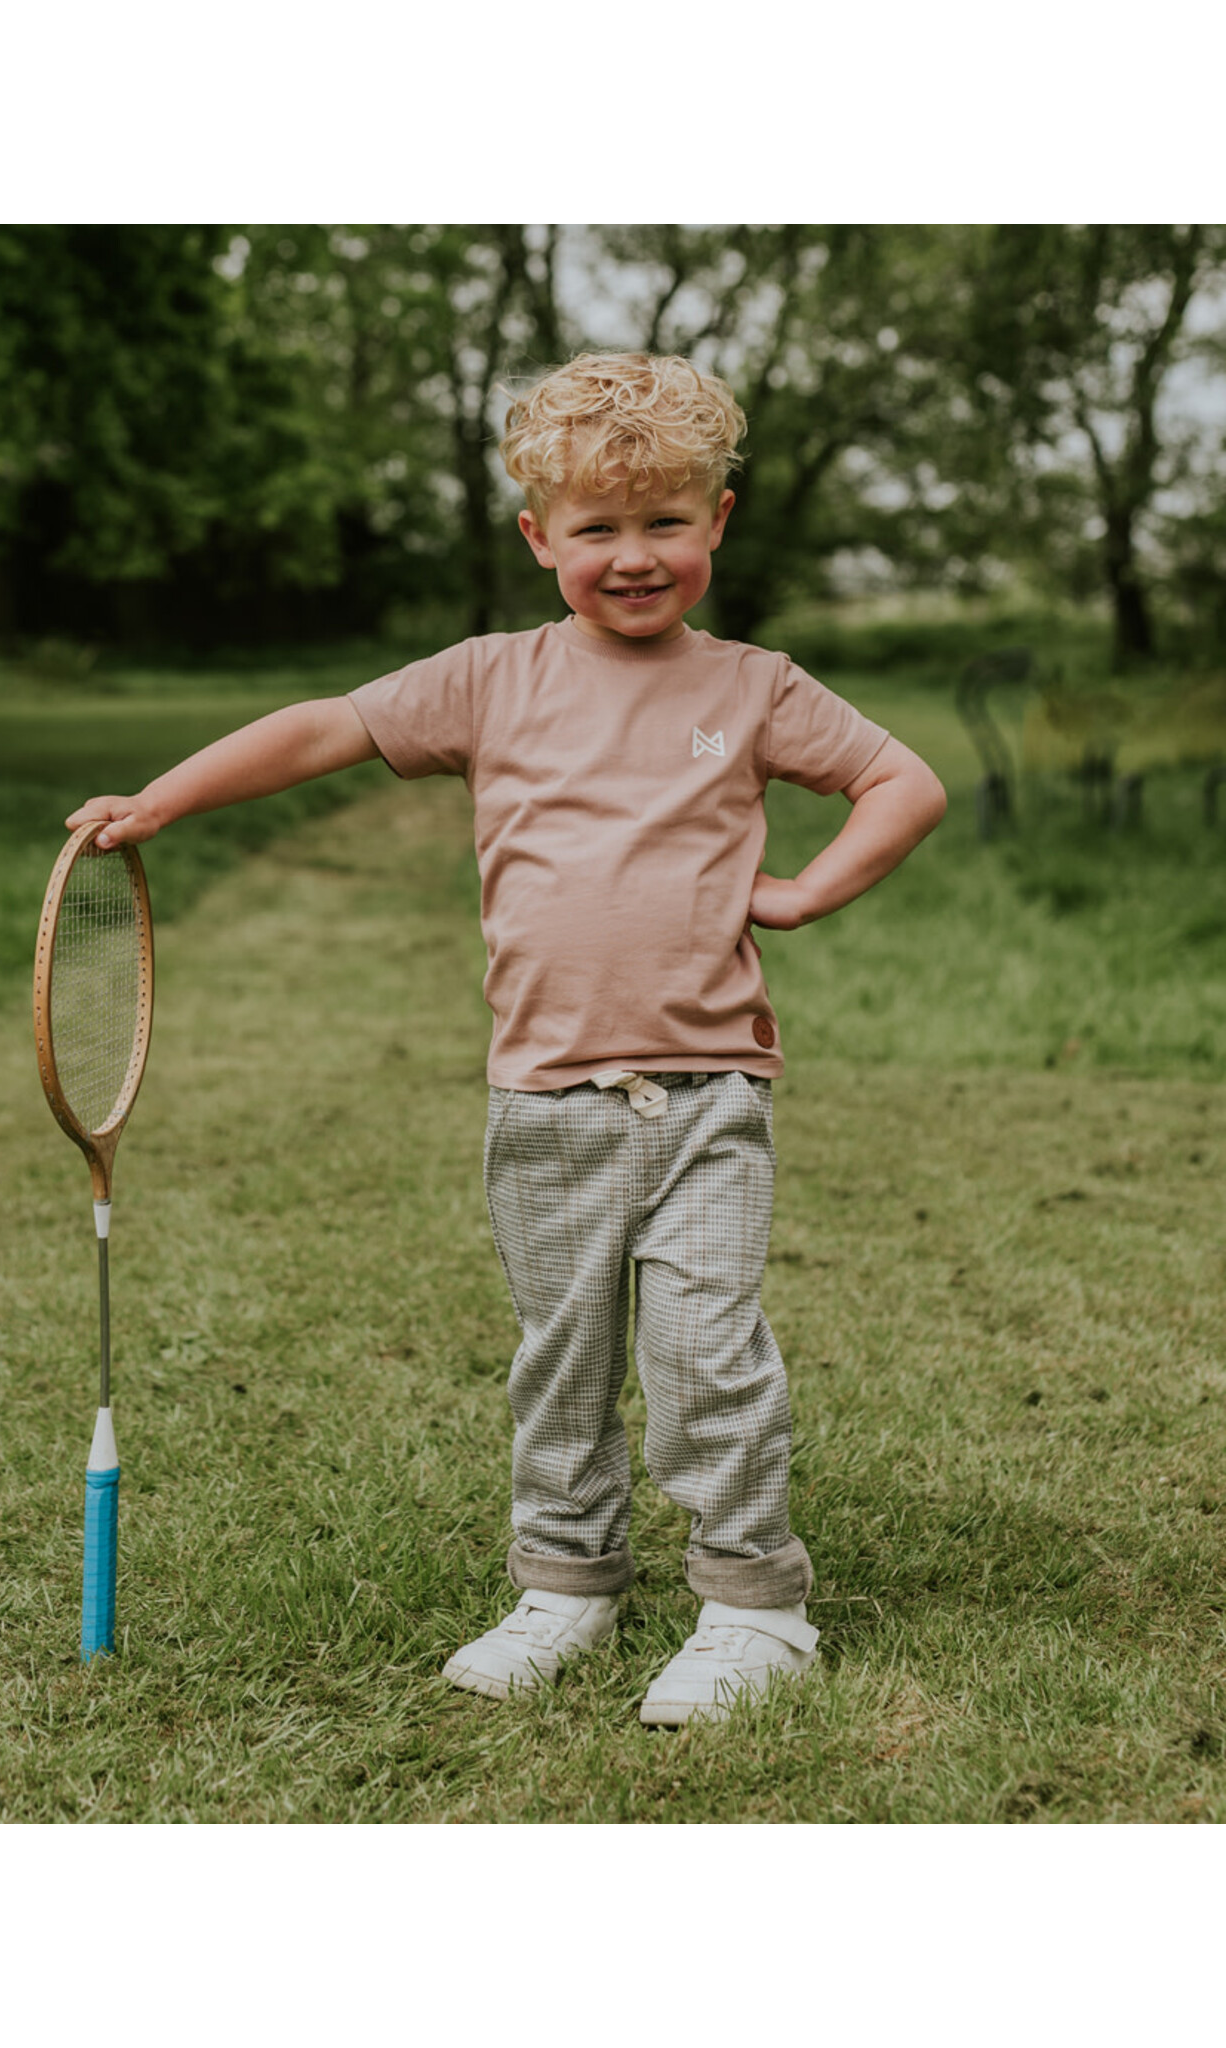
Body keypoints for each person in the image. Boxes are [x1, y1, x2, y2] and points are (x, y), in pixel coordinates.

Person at [67, 352, 947, 1727]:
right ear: (540, 537)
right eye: (598, 527)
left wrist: (806, 890)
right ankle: (568, 1583)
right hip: (542, 1096)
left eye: (667, 521)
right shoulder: (489, 681)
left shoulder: (758, 687)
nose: (635, 555)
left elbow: (906, 777)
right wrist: (164, 800)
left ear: (719, 521)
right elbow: (327, 727)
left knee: (705, 1351)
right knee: (564, 1352)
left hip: (709, 1091)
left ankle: (753, 1607)